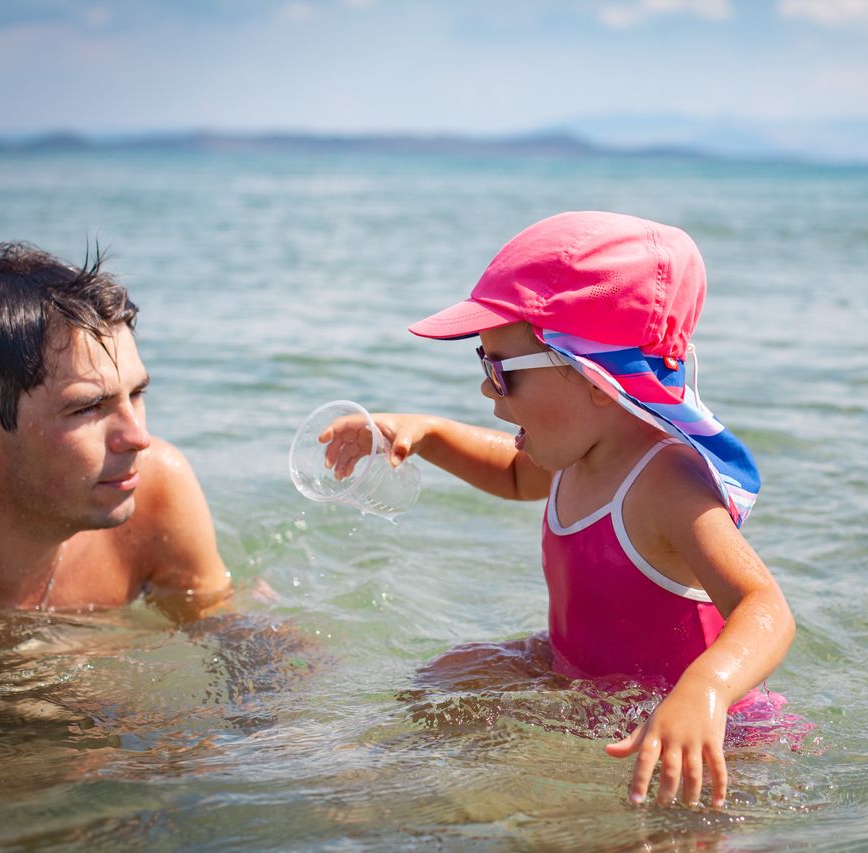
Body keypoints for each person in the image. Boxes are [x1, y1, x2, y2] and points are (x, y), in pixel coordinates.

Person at [321, 211, 795, 808]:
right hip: (584, 676)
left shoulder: (665, 482)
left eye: (501, 372)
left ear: (595, 377)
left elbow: (765, 607)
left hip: (690, 728)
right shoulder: (577, 450)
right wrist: (430, 433)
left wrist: (705, 691)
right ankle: (402, 795)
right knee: (446, 679)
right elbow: (517, 477)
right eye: (481, 365)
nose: (486, 393)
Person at [0, 242, 232, 638]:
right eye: (88, 408)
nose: (138, 438)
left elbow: (234, 641)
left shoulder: (156, 493)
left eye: (136, 395)